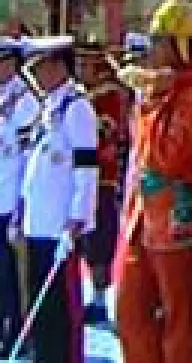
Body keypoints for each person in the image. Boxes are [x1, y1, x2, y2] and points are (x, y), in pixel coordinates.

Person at [116, 0, 192, 363]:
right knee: (128, 311)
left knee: (181, 320)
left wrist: (149, 106)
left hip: (179, 225)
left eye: (160, 42)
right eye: (152, 41)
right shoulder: (152, 93)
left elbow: (165, 158)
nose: (152, 50)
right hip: (140, 222)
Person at [20, 35, 100, 363]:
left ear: (57, 66)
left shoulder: (77, 108)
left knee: (62, 309)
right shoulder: (50, 107)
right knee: (42, 310)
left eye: (39, 67)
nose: (35, 75)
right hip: (39, 222)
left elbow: (86, 168)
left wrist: (78, 216)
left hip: (61, 227)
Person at [77, 37, 130, 327]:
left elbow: (107, 134)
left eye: (86, 64)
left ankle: (99, 298)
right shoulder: (80, 95)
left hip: (102, 179)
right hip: (81, 178)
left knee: (100, 241)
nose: (81, 69)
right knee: (86, 242)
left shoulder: (108, 95)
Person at [0, 36, 37, 357]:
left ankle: (18, 332)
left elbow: (28, 157)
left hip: (12, 198)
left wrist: (22, 205)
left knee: (12, 275)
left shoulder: (25, 101)